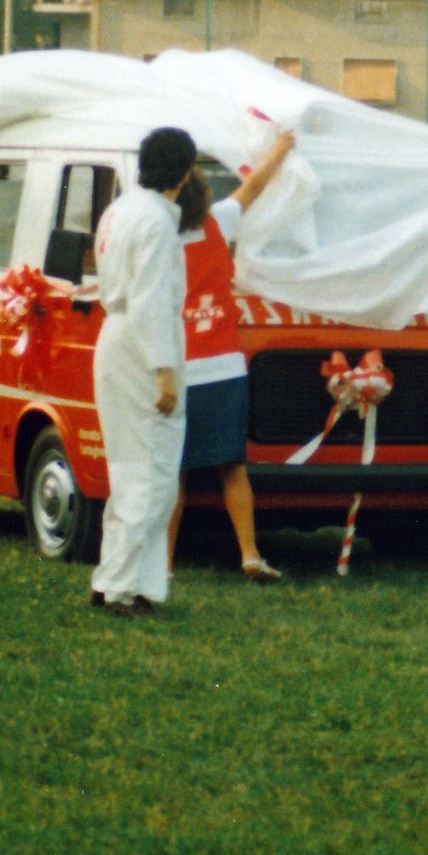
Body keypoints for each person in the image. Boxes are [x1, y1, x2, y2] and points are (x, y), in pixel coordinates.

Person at [166, 131, 296, 582]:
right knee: (233, 469)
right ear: (204, 198)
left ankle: (161, 565)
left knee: (174, 475)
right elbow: (254, 186)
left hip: (178, 368)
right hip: (224, 365)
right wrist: (279, 151)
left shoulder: (158, 237)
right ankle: (250, 555)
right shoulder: (220, 222)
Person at [90, 127, 196, 616]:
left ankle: (121, 577)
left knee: (131, 470)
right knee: (151, 473)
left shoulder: (120, 210)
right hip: (141, 342)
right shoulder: (155, 222)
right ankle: (121, 586)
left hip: (115, 336)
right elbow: (152, 299)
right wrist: (163, 372)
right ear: (186, 172)